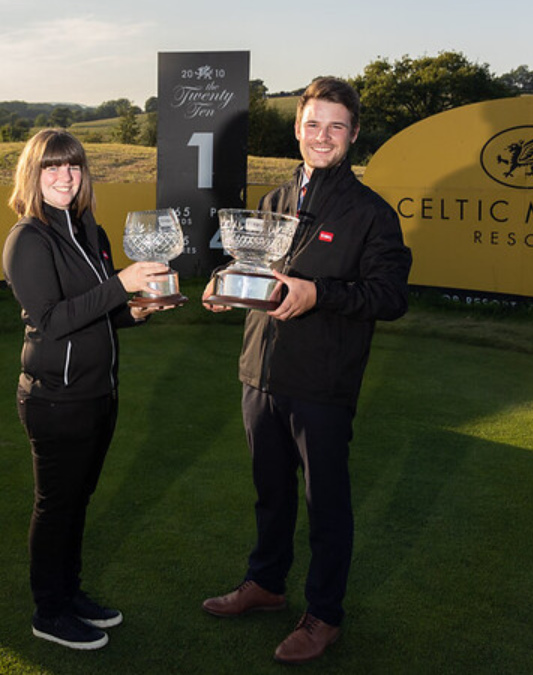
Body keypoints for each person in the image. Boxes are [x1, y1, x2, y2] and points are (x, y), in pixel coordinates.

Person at [200, 77, 412, 665]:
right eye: (313, 124)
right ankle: (265, 584)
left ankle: (324, 614)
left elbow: (390, 295)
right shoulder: (270, 203)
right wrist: (228, 288)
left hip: (322, 382)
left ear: (354, 135)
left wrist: (319, 293)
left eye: (336, 126)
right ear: (297, 128)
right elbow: (254, 273)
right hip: (259, 373)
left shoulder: (371, 214)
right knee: (270, 495)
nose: (322, 136)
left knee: (326, 505)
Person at [2, 128, 173, 650]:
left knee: (78, 501)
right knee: (56, 506)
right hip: (55, 399)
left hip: (99, 393)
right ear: (33, 175)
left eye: (73, 167)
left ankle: (69, 595)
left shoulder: (87, 230)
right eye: (52, 167)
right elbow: (51, 321)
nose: (64, 176)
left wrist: (137, 309)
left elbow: (102, 312)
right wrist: (120, 284)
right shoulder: (28, 238)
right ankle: (48, 612)